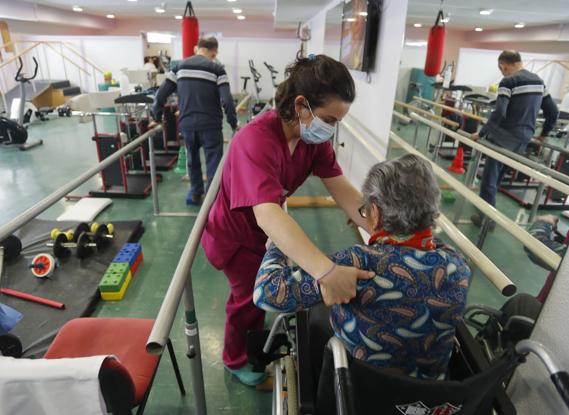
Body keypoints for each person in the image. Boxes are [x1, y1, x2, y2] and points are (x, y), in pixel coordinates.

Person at [201, 54, 376, 386]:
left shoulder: (314, 142)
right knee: (246, 301)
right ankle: (236, 361)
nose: (332, 127)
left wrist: (378, 228)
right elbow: (267, 213)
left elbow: (342, 189)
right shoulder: (255, 140)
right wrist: (326, 272)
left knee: (257, 300)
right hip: (236, 237)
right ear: (301, 106)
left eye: (338, 120)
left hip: (265, 231)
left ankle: (251, 336)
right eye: (329, 118)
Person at [254, 154, 472, 380]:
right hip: (428, 393)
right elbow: (423, 243)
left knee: (315, 316)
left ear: (375, 213)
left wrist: (277, 244)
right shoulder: (458, 266)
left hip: (359, 387)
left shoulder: (359, 263)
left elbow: (266, 294)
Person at [470, 50, 559, 228]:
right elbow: (553, 112)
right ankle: (489, 214)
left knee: (489, 181)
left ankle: (486, 220)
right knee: (497, 180)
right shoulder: (539, 81)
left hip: (503, 138)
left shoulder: (508, 81)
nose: (502, 72)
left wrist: (481, 133)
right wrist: (544, 133)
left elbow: (500, 111)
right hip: (522, 140)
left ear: (503, 65)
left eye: (501, 68)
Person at [152, 37, 238, 205]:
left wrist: (156, 117)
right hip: (211, 126)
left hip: (187, 125)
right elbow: (227, 100)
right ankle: (212, 201)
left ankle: (195, 193)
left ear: (197, 48)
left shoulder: (178, 67)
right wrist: (233, 122)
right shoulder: (217, 68)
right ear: (214, 51)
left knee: (192, 160)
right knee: (213, 163)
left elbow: (160, 95)